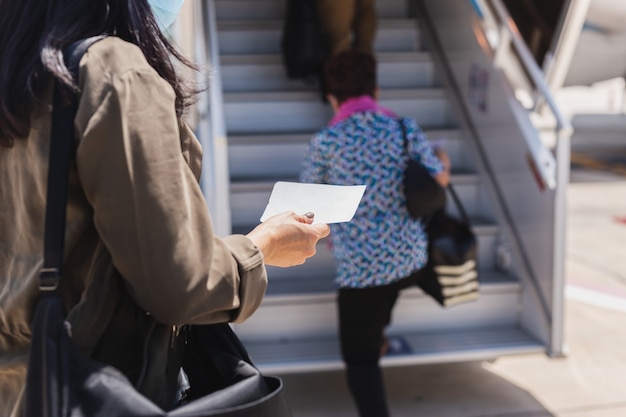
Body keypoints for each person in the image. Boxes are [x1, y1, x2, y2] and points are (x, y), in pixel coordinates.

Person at [0, 0, 330, 415]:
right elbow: (180, 286)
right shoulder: (113, 70)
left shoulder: (19, 73)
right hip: (105, 388)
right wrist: (262, 246)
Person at [299, 51, 450, 417]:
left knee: (359, 360)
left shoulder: (326, 141)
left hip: (361, 269)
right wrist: (442, 158)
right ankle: (380, 332)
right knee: (389, 288)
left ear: (333, 98)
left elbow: (308, 201)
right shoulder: (403, 127)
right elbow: (439, 179)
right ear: (376, 90)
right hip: (410, 256)